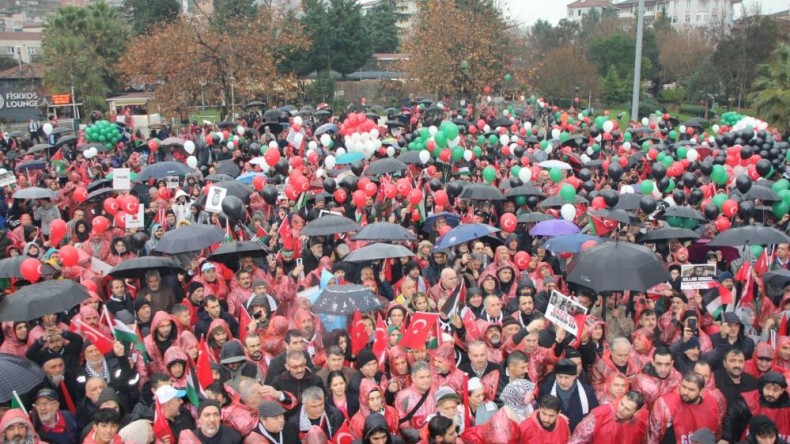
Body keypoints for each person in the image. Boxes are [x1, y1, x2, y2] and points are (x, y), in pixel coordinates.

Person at [647, 372, 723, 444]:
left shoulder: (712, 403)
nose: (685, 392)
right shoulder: (665, 404)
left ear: (701, 391)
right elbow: (652, 437)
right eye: (683, 387)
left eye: (691, 390)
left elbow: (717, 432)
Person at [721, 371, 790, 443]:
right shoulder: (750, 399)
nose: (770, 393)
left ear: (782, 390)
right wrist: (726, 438)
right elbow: (732, 416)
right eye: (767, 388)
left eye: (775, 390)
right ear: (762, 387)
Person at [538, 358, 598, 432]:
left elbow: (595, 415)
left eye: (567, 377)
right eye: (559, 377)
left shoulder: (587, 391)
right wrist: (555, 415)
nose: (563, 381)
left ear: (574, 376)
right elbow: (538, 411)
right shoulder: (546, 389)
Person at [569, 391, 648, 444]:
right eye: (622, 404)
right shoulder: (601, 413)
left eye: (627, 409)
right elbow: (579, 437)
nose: (621, 409)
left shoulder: (640, 423)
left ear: (636, 413)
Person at [178, 399, 243, 444]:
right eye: (207, 415)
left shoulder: (234, 437)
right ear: (199, 419)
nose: (212, 419)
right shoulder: (191, 439)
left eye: (215, 415)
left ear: (220, 417)